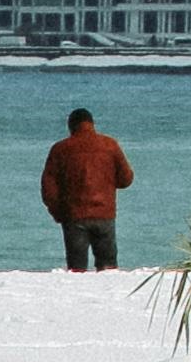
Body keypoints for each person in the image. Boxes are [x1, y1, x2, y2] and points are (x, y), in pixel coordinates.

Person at [41, 107, 134, 271]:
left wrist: (58, 213)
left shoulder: (60, 149)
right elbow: (126, 179)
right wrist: (107, 181)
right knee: (108, 269)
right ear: (92, 124)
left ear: (71, 126)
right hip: (104, 215)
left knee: (76, 270)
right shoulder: (110, 145)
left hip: (74, 216)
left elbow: (49, 188)